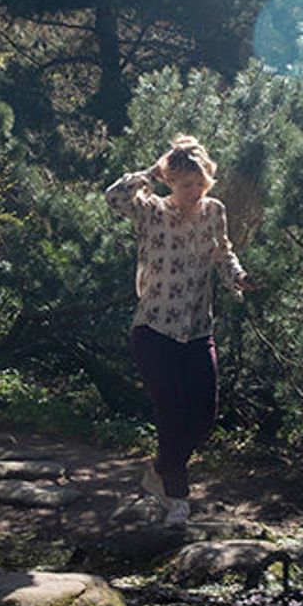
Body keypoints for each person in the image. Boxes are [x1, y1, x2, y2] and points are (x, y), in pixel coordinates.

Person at [104, 135, 252, 528]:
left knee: (202, 417)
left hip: (198, 329)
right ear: (171, 182)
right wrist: (153, 171)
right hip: (154, 328)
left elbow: (223, 254)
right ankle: (177, 499)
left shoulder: (214, 211)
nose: (195, 192)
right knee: (171, 411)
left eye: (200, 184)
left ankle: (158, 470)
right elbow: (114, 196)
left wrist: (237, 277)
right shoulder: (150, 211)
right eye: (187, 185)